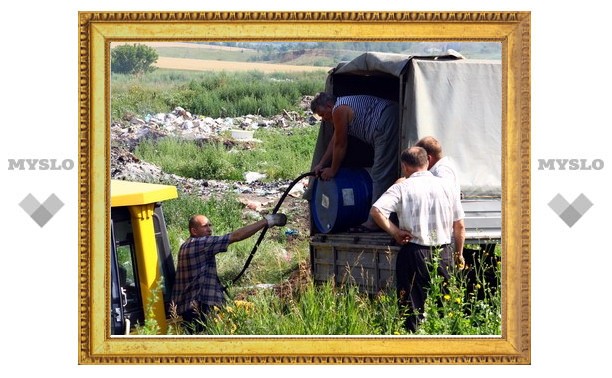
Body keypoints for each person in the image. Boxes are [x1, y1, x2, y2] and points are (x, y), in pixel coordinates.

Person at [370, 146, 465, 332]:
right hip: (443, 252)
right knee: (444, 308)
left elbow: (376, 211)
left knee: (411, 309)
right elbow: (459, 225)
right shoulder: (448, 186)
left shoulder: (401, 187)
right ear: (428, 161)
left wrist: (395, 232)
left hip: (413, 252)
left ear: (405, 166)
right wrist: (458, 254)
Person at [171, 212, 287, 333]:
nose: (209, 230)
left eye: (210, 225)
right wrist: (268, 221)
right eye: (205, 226)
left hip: (189, 308)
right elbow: (236, 236)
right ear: (194, 231)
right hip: (198, 307)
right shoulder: (200, 244)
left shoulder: (186, 246)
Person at [310, 92, 400, 231]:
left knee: (380, 173)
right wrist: (321, 164)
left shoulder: (339, 110)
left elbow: (341, 145)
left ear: (329, 106)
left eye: (322, 114)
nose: (323, 119)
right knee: (383, 170)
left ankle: (376, 221)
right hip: (388, 116)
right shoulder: (340, 107)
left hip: (386, 120)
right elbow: (334, 142)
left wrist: (333, 170)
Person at [395, 136, 461, 197]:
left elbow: (444, 193)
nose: (418, 162)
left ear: (428, 158)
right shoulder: (440, 169)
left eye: (420, 158)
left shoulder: (443, 170)